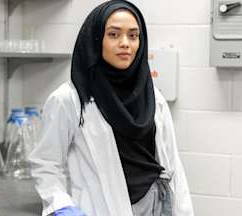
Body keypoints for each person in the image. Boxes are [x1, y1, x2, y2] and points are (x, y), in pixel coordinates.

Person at [29, 1, 194, 216]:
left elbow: (172, 162)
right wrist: (60, 205)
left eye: (133, 36)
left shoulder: (153, 96)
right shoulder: (70, 100)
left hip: (156, 205)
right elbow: (46, 162)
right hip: (102, 208)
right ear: (96, 40)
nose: (125, 43)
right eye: (114, 35)